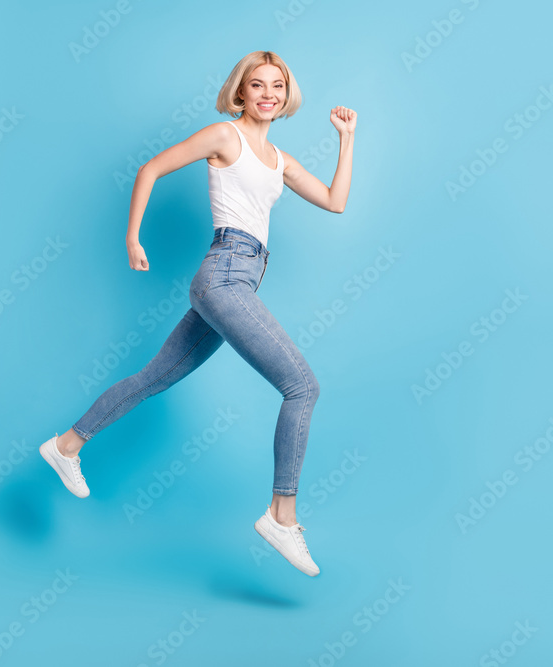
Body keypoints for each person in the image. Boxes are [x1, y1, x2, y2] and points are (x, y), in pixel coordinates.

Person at [40, 50, 356, 576]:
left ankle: (66, 445)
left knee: (153, 378)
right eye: (257, 85)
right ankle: (282, 515)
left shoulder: (278, 159)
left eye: (276, 85)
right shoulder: (224, 137)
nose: (268, 94)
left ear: (286, 94)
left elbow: (335, 200)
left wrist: (346, 141)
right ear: (241, 92)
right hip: (225, 276)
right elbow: (152, 168)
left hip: (242, 279)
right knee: (303, 388)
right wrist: (132, 236)